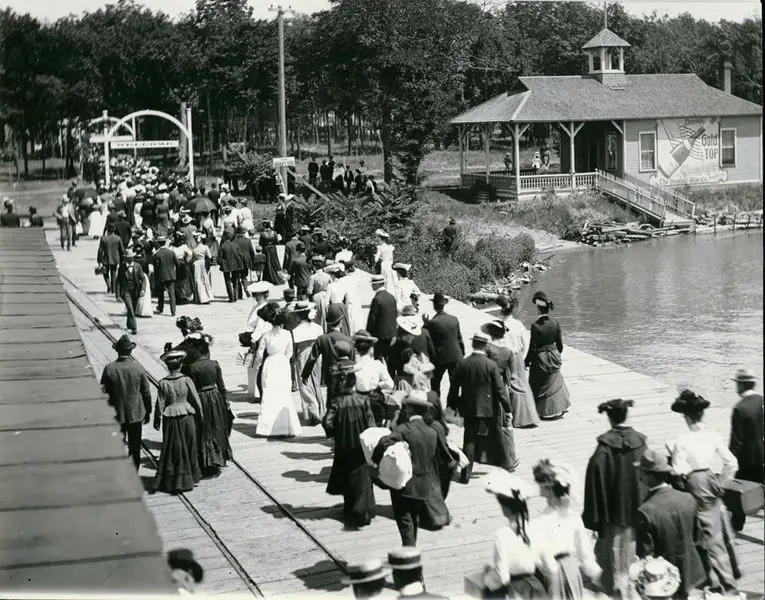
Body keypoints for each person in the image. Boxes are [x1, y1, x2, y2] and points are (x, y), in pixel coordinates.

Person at [668, 389, 740, 593]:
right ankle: (728, 575)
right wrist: (723, 483)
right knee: (717, 530)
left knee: (703, 534)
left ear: (687, 416)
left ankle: (718, 581)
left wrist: (680, 475)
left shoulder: (682, 440)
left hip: (694, 482)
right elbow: (731, 462)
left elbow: (679, 468)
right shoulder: (712, 435)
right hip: (710, 478)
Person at [582, 399, 647, 599]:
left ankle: (618, 586)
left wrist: (595, 513)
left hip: (614, 509)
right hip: (638, 504)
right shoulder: (640, 441)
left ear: (610, 418)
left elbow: (595, 476)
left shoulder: (605, 446)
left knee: (614, 548)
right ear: (626, 415)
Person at [373, 391, 451, 546]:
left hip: (404, 485)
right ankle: (411, 546)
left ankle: (409, 551)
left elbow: (384, 442)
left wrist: (376, 462)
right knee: (413, 518)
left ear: (410, 410)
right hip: (423, 486)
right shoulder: (432, 432)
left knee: (404, 519)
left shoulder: (405, 428)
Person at [635, 448, 706, 597]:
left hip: (663, 577)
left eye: (642, 472)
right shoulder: (687, 498)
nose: (640, 476)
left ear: (650, 478)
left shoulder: (645, 511)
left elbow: (646, 555)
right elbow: (698, 537)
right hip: (689, 567)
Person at [448, 332, 517, 482]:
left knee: (469, 441)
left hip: (470, 408)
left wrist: (451, 406)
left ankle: (466, 475)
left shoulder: (463, 363)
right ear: (485, 346)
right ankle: (507, 465)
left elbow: (454, 388)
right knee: (498, 435)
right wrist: (508, 409)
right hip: (489, 407)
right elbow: (499, 390)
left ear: (472, 345)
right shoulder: (491, 365)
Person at [532, 459, 602, 600]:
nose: (539, 491)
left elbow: (537, 557)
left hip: (551, 574)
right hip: (571, 570)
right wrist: (598, 575)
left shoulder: (540, 521)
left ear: (551, 489)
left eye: (542, 487)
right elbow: (585, 553)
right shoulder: (573, 517)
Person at [323, 347, 377, 527]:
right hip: (361, 447)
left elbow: (328, 423)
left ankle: (350, 510)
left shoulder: (337, 402)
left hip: (344, 446)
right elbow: (371, 425)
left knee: (347, 478)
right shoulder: (363, 400)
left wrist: (335, 434)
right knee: (363, 478)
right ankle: (365, 511)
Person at [483, 472, 546, 599]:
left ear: (505, 508)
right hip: (537, 588)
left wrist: (488, 578)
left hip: (517, 591)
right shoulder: (535, 527)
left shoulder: (502, 535)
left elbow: (503, 578)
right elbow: (542, 563)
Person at [153, 350, 203, 494]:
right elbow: (196, 400)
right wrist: (201, 415)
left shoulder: (163, 383)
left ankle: (173, 480)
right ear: (180, 366)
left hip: (170, 418)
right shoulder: (186, 380)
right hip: (187, 416)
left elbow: (160, 403)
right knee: (189, 446)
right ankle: (190, 478)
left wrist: (157, 419)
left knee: (172, 448)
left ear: (168, 367)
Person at [100, 334, 152, 470]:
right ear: (130, 351)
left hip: (117, 413)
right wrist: (148, 411)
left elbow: (103, 392)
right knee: (135, 446)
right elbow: (146, 392)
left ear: (117, 351)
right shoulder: (138, 368)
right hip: (136, 413)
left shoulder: (109, 369)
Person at [252, 302, 302, 437]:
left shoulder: (266, 336)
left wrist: (260, 364)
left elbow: (259, 355)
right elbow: (290, 353)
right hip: (283, 364)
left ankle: (267, 428)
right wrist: (284, 360)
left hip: (270, 364)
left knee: (269, 394)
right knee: (284, 394)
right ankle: (286, 426)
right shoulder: (287, 334)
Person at [187, 339, 233, 476]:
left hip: (201, 398)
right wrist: (226, 400)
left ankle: (205, 460)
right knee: (217, 428)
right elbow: (222, 385)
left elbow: (192, 389)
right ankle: (217, 458)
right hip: (215, 397)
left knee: (203, 429)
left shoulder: (192, 367)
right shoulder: (214, 364)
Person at [525, 291, 570, 420]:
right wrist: (555, 354)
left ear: (538, 308)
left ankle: (540, 411)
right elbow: (560, 345)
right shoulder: (555, 323)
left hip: (541, 358)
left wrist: (526, 362)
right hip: (554, 355)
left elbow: (533, 348)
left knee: (536, 381)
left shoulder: (535, 326)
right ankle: (560, 407)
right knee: (555, 378)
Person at [495, 295, 538, 428]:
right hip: (518, 356)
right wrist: (522, 357)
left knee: (507, 385)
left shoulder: (498, 325)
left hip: (505, 357)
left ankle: (509, 415)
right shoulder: (518, 324)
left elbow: (497, 344)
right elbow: (525, 343)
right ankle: (527, 415)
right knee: (521, 384)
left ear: (501, 311)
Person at [303, 304, 355, 407]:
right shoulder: (348, 340)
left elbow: (312, 359)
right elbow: (353, 359)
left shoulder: (322, 339)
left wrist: (305, 375)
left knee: (331, 400)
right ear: (340, 322)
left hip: (329, 374)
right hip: (346, 374)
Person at [423, 292, 464, 398]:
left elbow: (427, 338)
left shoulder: (432, 323)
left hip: (440, 358)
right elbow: (459, 339)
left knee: (435, 384)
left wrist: (425, 323)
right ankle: (452, 405)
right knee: (454, 384)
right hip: (455, 355)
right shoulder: (454, 319)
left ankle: (437, 406)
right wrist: (462, 354)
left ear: (434, 305)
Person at [290, 301, 325, 425]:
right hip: (316, 356)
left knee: (305, 384)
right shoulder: (318, 328)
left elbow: (293, 350)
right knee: (316, 383)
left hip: (302, 356)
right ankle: (320, 410)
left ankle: (313, 409)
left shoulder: (295, 331)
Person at [353, 330, 394, 427]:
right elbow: (390, 384)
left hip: (358, 401)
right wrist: (378, 385)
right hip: (375, 400)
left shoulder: (354, 366)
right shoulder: (377, 365)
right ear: (371, 349)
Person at [245, 281, 273, 401]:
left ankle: (260, 392)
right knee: (254, 366)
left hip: (260, 337)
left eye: (258, 295)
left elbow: (261, 326)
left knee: (258, 365)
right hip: (257, 335)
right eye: (255, 295)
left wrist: (253, 339)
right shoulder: (257, 306)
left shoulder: (263, 308)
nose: (256, 297)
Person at [366, 274, 398, 372]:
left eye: (373, 284)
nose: (371, 286)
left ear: (377, 285)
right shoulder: (391, 297)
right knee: (390, 360)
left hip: (379, 335)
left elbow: (372, 319)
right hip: (391, 334)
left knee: (378, 360)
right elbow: (395, 315)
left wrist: (368, 334)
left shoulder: (377, 299)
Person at [116, 250, 145, 335]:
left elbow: (142, 278)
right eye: (128, 258)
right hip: (126, 291)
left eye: (131, 257)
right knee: (130, 308)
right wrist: (117, 295)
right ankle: (134, 327)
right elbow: (118, 281)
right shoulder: (121, 267)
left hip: (136, 291)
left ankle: (129, 324)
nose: (130, 259)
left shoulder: (138, 266)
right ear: (125, 258)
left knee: (132, 308)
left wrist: (143, 289)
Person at [153, 236, 179, 317]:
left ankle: (160, 308)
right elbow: (177, 264)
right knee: (172, 295)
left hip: (161, 276)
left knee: (160, 293)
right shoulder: (171, 252)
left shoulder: (157, 254)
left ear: (158, 243)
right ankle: (173, 311)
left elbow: (156, 267)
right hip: (171, 275)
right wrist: (174, 272)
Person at [97, 224, 125, 294]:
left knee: (105, 273)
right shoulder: (118, 238)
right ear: (114, 229)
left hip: (105, 259)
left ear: (108, 230)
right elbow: (122, 250)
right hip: (115, 259)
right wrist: (122, 259)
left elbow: (100, 250)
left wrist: (99, 260)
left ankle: (108, 285)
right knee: (114, 273)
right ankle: (113, 289)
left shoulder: (103, 238)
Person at [218, 230, 243, 303]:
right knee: (235, 280)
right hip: (236, 265)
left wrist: (222, 263)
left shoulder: (222, 246)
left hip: (226, 266)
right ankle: (236, 296)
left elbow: (219, 258)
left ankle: (231, 297)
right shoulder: (235, 245)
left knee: (227, 281)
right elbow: (240, 255)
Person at [259, 220, 284, 285]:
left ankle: (268, 278)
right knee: (275, 262)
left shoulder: (262, 234)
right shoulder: (274, 233)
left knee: (267, 263)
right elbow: (277, 242)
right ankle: (278, 278)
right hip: (273, 248)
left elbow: (261, 243)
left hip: (266, 249)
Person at [191, 232, 213, 305]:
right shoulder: (205, 247)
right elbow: (210, 257)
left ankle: (199, 297)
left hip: (196, 263)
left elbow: (192, 258)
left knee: (197, 280)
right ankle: (207, 297)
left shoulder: (194, 249)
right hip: (203, 263)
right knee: (205, 279)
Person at [234, 227, 256, 299]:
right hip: (246, 260)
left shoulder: (235, 241)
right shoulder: (248, 240)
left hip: (237, 260)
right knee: (244, 276)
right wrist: (252, 261)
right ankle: (246, 287)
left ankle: (239, 294)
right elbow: (252, 252)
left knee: (237, 277)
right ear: (243, 233)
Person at [374, 229, 397, 294]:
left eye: (377, 237)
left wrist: (377, 256)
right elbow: (391, 259)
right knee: (390, 282)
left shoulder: (380, 248)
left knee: (384, 282)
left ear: (379, 238)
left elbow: (376, 260)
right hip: (389, 265)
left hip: (384, 265)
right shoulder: (390, 247)